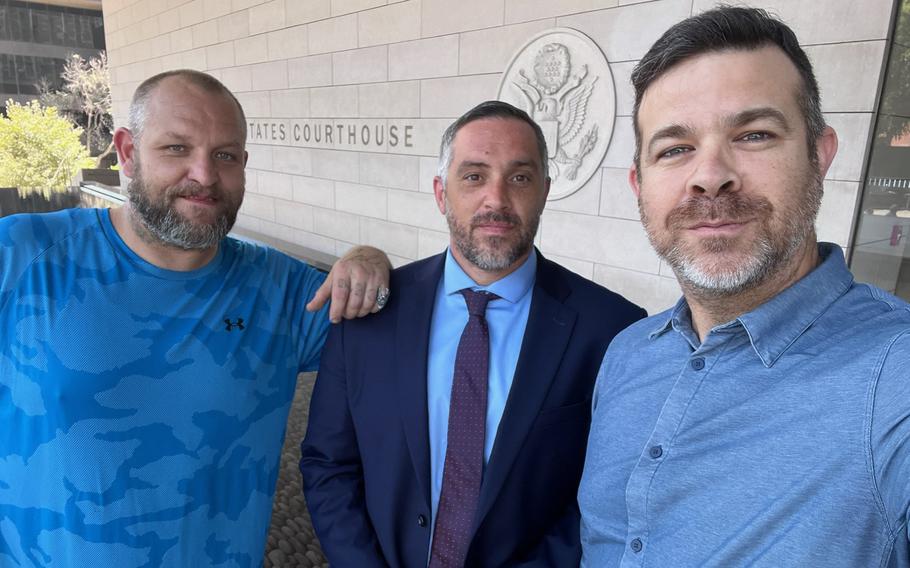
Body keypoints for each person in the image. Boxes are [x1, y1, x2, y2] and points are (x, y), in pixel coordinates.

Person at [0, 69, 392, 566]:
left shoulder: (284, 292)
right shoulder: (21, 256)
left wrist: (370, 259)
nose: (204, 176)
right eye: (177, 148)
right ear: (126, 151)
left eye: (224, 156)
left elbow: (395, 324)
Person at [578, 7, 910, 567]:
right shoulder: (628, 354)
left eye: (753, 134)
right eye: (674, 149)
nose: (710, 174)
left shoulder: (894, 375)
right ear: (639, 184)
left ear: (820, 155)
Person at [300, 100, 645, 567]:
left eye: (519, 178)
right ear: (442, 194)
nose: (496, 200)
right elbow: (329, 465)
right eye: (474, 176)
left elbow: (605, 501)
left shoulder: (610, 328)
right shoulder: (370, 311)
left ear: (544, 191)